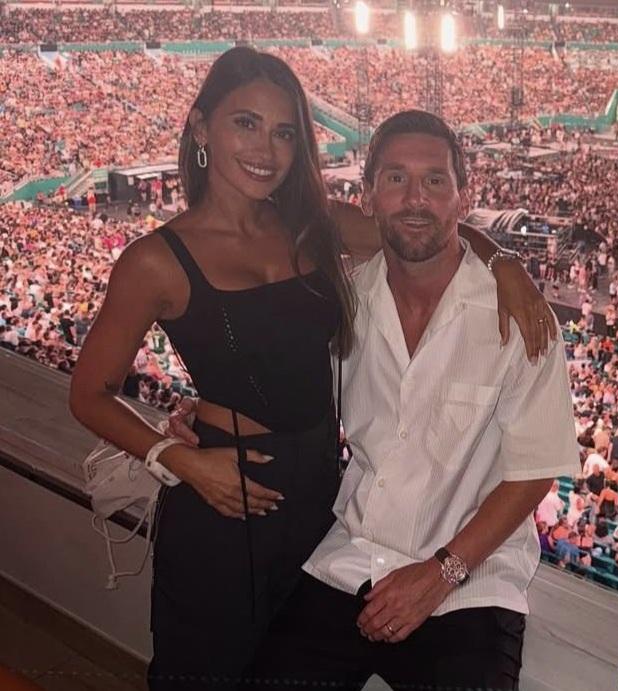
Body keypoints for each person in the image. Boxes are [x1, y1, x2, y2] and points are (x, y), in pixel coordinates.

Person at [68, 51, 551, 691]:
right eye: (246, 123)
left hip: (321, 504)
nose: (265, 149)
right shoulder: (154, 261)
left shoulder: (314, 227)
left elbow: (426, 228)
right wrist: (176, 458)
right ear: (201, 127)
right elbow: (89, 394)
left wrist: (504, 262)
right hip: (225, 494)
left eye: (285, 132)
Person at [244, 110, 581, 690]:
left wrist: (440, 573)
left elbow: (533, 473)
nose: (416, 198)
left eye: (434, 180)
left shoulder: (518, 318)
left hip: (471, 581)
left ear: (462, 197)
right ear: (369, 196)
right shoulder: (345, 303)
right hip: (350, 559)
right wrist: (202, 416)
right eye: (396, 178)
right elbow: (282, 391)